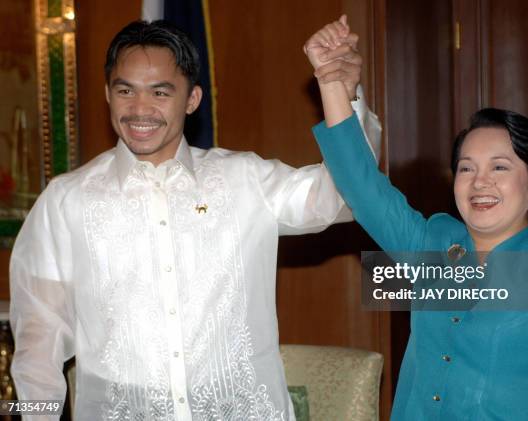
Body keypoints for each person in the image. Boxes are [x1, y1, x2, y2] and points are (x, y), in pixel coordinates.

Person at [9, 19, 380, 420]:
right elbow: (36, 345)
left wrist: (343, 94)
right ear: (107, 95)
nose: (139, 110)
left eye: (160, 92)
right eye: (125, 91)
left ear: (192, 98)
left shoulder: (245, 181)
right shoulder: (66, 202)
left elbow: (346, 196)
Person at [305, 17, 528, 421]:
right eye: (467, 168)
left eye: (500, 168)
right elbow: (362, 188)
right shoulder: (434, 241)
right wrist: (330, 81)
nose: (480, 182)